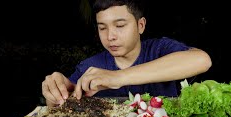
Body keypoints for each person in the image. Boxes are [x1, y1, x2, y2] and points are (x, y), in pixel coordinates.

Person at [42, 0, 212, 107]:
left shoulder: (160, 49)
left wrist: (117, 77)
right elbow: (57, 108)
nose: (110, 36)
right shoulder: (89, 67)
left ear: (141, 25)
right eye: (102, 28)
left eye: (120, 25)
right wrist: (55, 93)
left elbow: (202, 60)